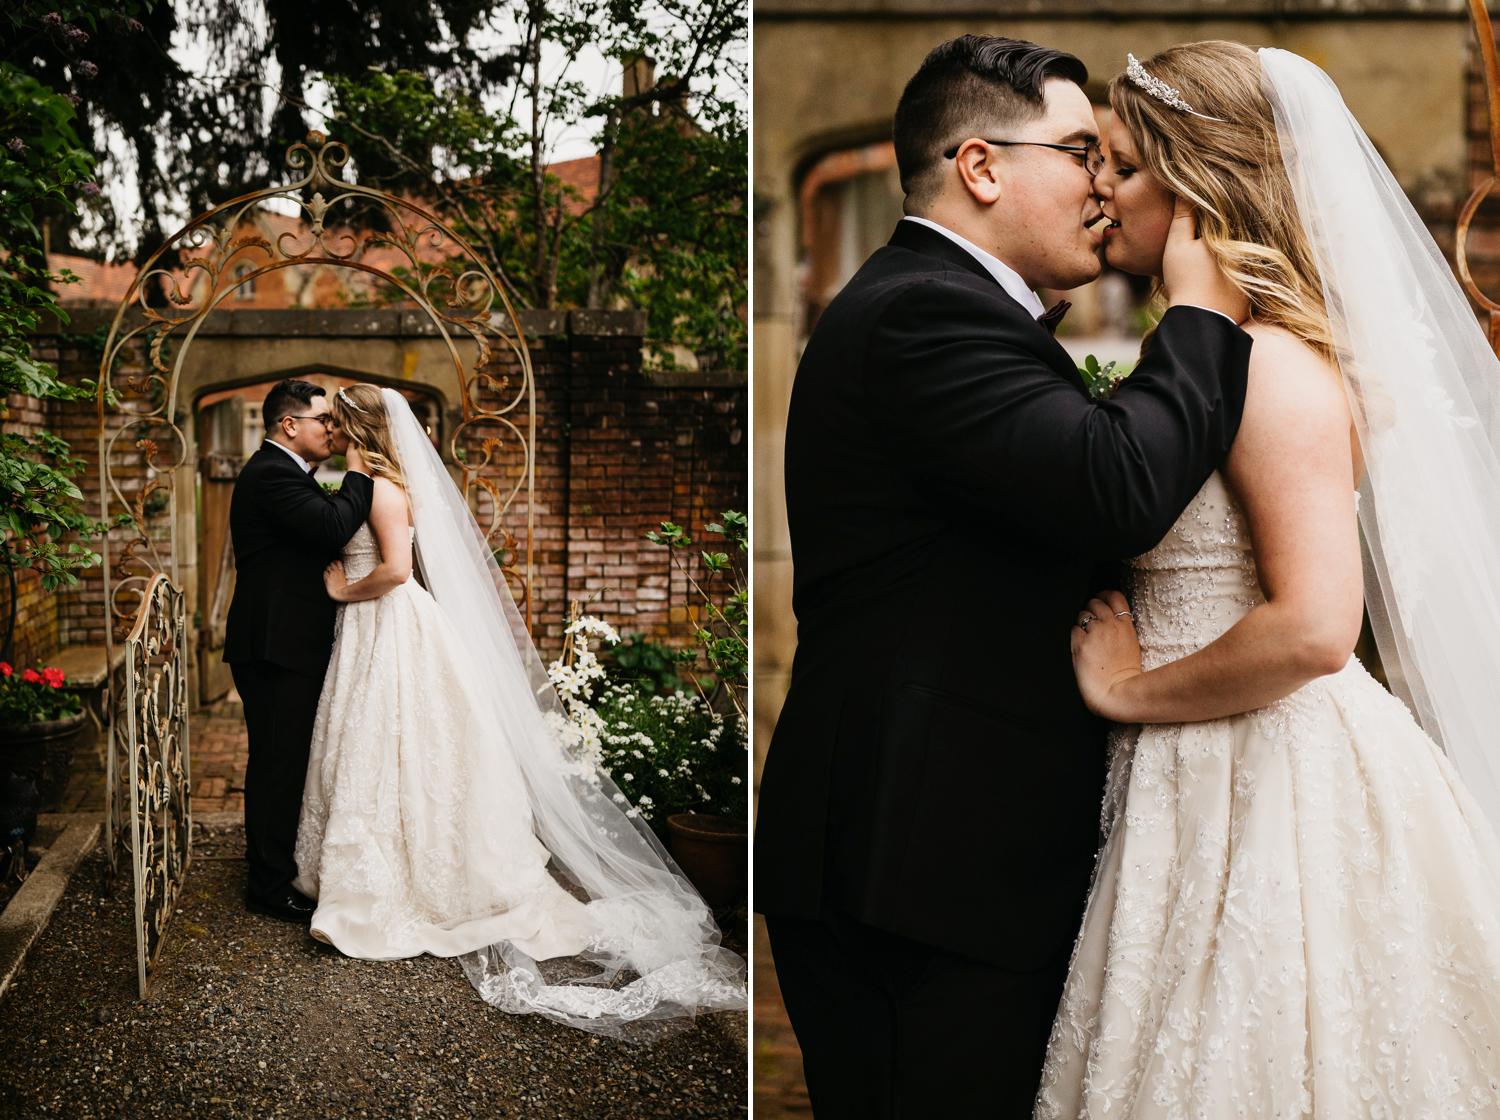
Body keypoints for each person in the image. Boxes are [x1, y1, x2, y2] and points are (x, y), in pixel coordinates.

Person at [753, 34, 1253, 1116]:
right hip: (921, 865)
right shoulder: (923, 314)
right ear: (982, 167)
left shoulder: (954, 308)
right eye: (1083, 152)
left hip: (950, 856)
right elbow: (1114, 484)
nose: (1107, 185)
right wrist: (1205, 311)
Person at [1038, 43, 1500, 1115]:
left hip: (1270, 774)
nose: (1101, 188)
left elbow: (1315, 627)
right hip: (1199, 767)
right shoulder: (1205, 356)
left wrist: (1125, 690)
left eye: (1126, 166)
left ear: (1202, 188)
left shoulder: (1275, 371)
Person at [293, 384, 745, 1038]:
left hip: (388, 621)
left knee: (402, 742)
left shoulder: (385, 490)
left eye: (336, 420)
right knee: (368, 743)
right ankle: (361, 866)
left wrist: (342, 587)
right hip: (368, 632)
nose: (328, 429)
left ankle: (415, 878)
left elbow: (394, 571)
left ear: (359, 427)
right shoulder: (358, 484)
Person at [224, 378, 373, 923]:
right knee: (277, 763)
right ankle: (266, 885)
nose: (332, 430)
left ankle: (271, 865)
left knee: (284, 760)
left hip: (284, 640)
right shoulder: (270, 474)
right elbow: (334, 524)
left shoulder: (289, 474)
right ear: (290, 425)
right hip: (275, 645)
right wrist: (360, 467)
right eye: (323, 420)